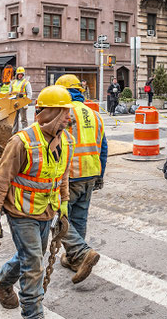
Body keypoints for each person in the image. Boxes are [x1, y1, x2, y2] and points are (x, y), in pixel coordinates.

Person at [0, 86, 75, 318]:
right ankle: (33, 314)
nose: (69, 116)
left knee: (31, 255)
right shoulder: (21, 142)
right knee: (34, 264)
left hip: (46, 210)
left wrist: (63, 201)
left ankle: (2, 282)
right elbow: (1, 180)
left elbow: (63, 175)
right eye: (64, 111)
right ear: (50, 113)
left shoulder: (66, 140)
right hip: (20, 211)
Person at [55, 74, 107, 284]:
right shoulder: (94, 114)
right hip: (90, 173)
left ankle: (82, 252)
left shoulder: (63, 113)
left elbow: (54, 145)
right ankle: (73, 259)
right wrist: (100, 175)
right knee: (79, 218)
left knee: (56, 218)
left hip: (70, 175)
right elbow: (103, 148)